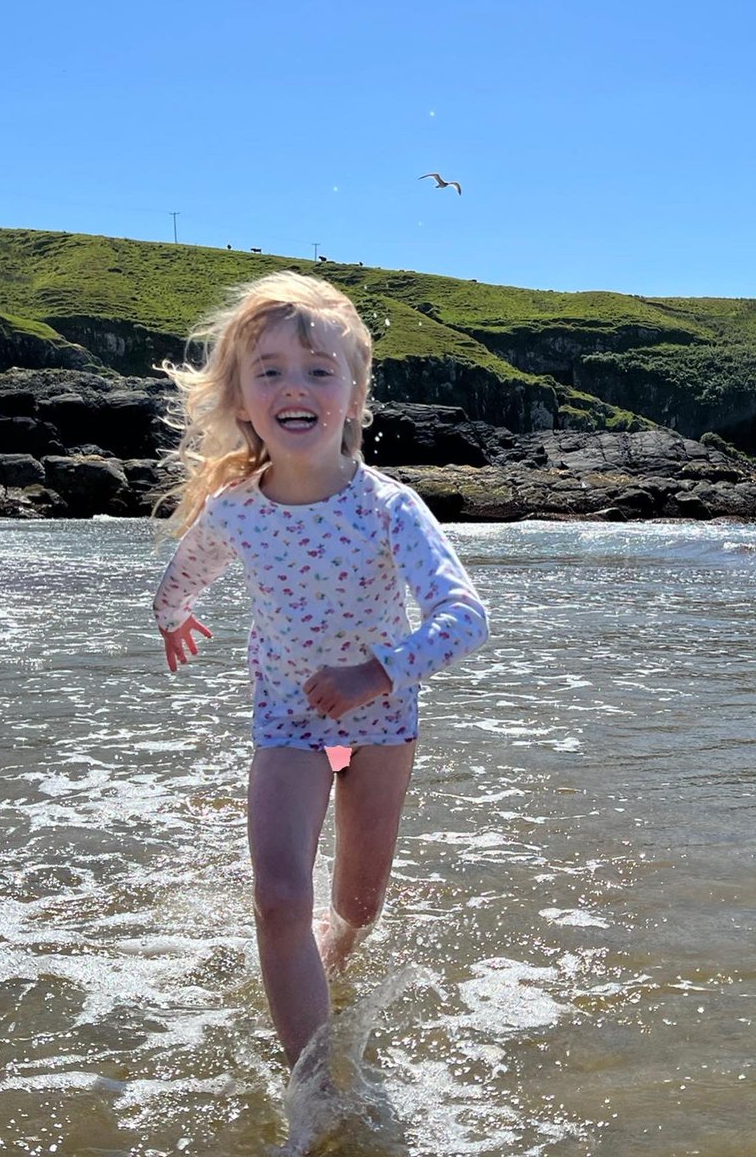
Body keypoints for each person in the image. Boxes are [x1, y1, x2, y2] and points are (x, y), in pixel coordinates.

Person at [152, 271, 488, 1068]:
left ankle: (332, 962)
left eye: (316, 370)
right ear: (240, 398)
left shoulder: (389, 506)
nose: (292, 387)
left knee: (355, 906)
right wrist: (171, 620)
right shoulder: (235, 508)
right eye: (268, 370)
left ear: (352, 393)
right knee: (277, 900)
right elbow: (182, 577)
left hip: (381, 727)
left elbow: (464, 617)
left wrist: (376, 672)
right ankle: (315, 1084)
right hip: (287, 725)